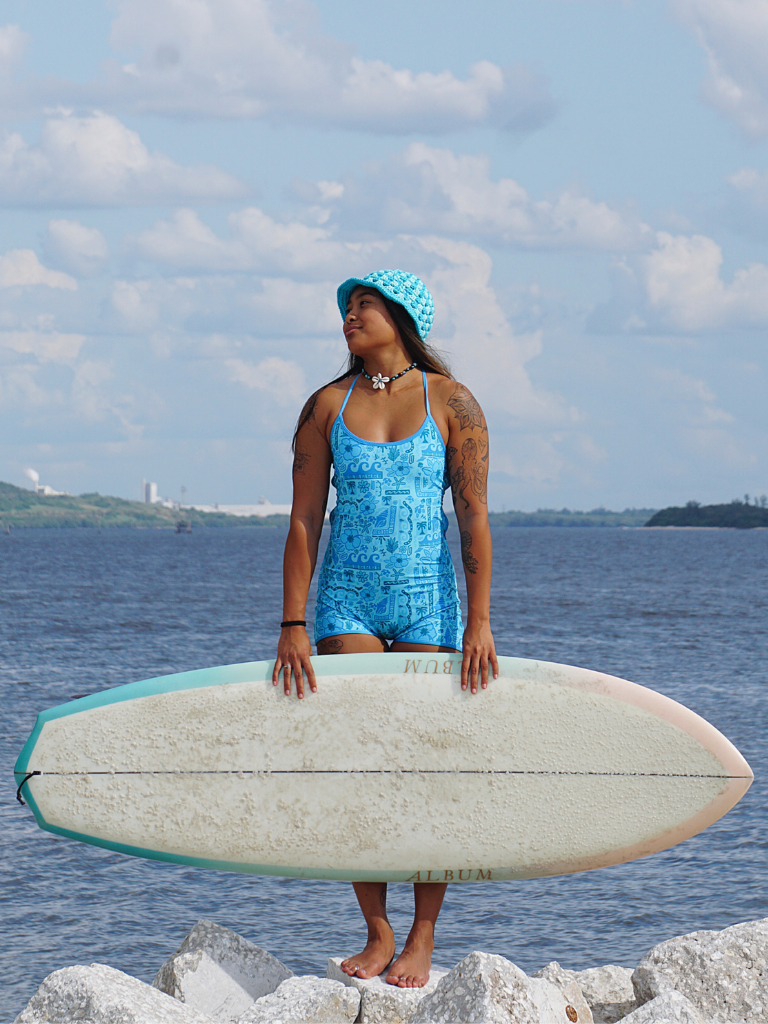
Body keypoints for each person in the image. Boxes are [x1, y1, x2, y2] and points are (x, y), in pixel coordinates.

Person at [272, 269, 498, 988]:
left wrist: (481, 622)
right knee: (359, 765)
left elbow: (473, 519)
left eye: (364, 305)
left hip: (429, 602)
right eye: (347, 307)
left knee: (427, 771)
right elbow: (304, 520)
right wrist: (293, 622)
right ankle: (376, 930)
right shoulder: (324, 406)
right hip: (346, 600)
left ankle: (423, 937)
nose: (350, 316)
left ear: (402, 316)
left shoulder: (452, 402)